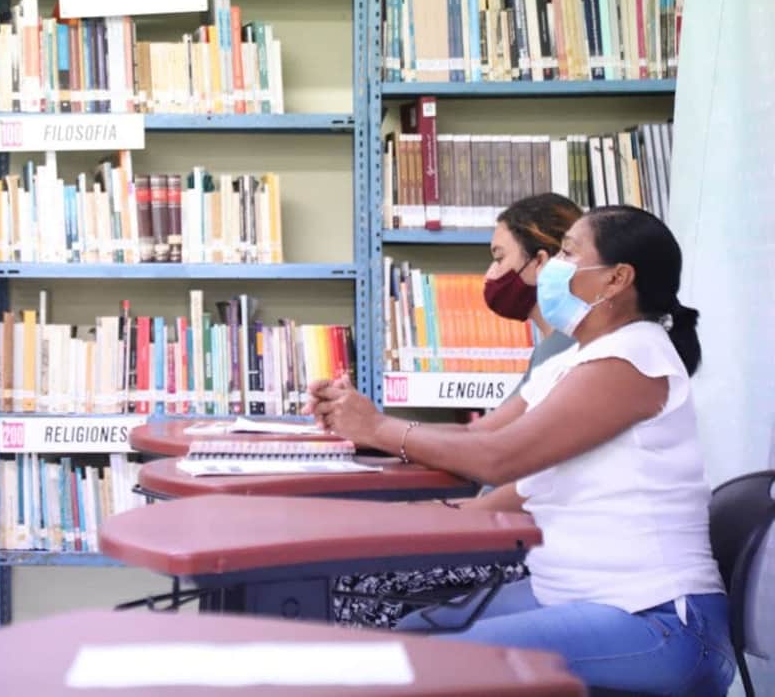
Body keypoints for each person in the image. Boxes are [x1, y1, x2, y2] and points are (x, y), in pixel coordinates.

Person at [311, 206, 735, 694]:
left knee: (418, 663)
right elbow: (478, 438)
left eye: (568, 253)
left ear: (617, 278)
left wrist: (380, 428)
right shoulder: (574, 361)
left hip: (657, 619)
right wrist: (365, 424)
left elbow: (500, 459)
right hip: (577, 597)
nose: (551, 267)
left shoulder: (634, 355)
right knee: (410, 633)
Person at [335, 192, 583, 628]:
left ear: (540, 262)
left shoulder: (570, 351)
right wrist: (375, 428)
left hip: (519, 545)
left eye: (499, 257)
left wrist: (442, 515)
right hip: (499, 530)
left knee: (351, 580)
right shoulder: (549, 349)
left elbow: (526, 472)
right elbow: (483, 436)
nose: (490, 274)